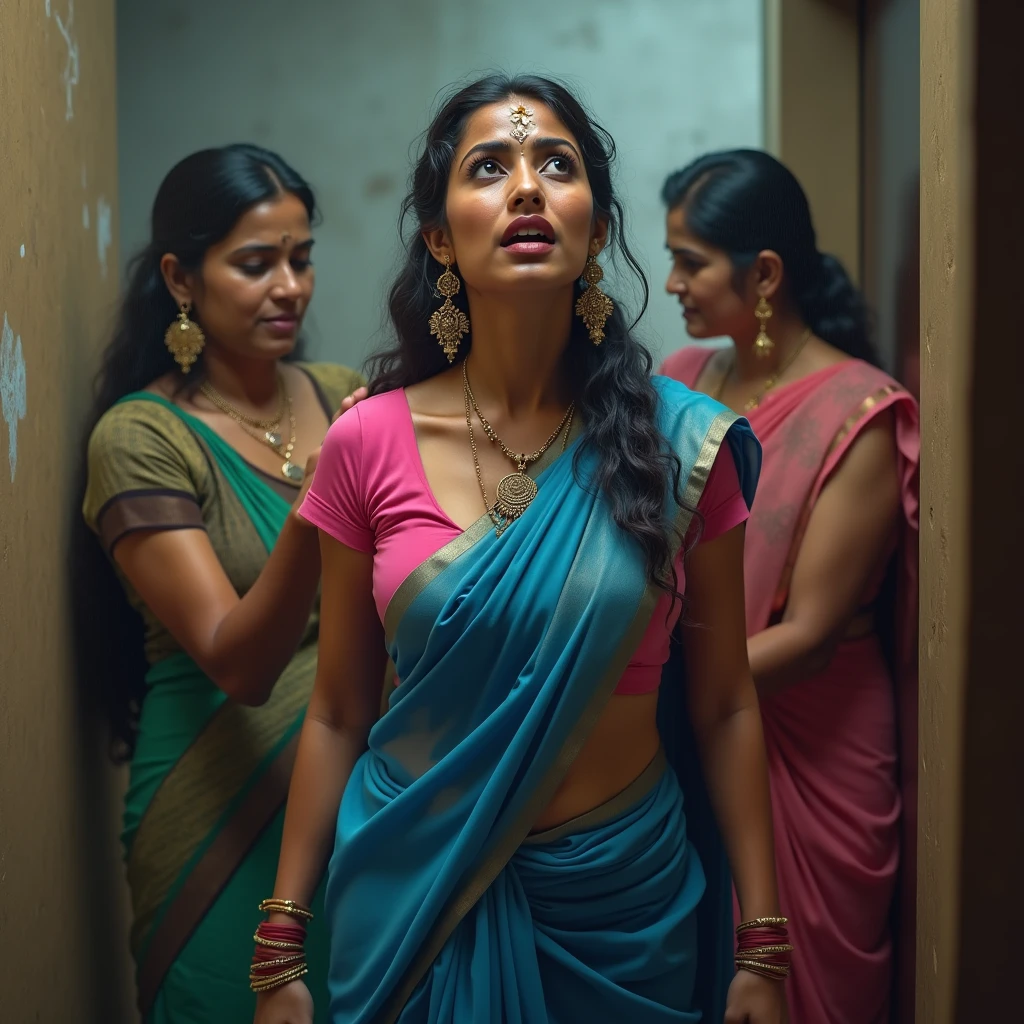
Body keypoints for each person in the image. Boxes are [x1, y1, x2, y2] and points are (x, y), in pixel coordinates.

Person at [252, 75, 789, 1024]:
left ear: (595, 220)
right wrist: (282, 946)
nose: (528, 188)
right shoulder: (366, 441)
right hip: (411, 897)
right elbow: (336, 710)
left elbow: (725, 702)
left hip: (621, 909)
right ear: (438, 235)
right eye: (489, 167)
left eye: (557, 164)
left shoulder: (681, 446)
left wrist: (765, 943)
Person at [77, 143, 364, 1024]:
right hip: (214, 808)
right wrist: (328, 497)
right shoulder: (142, 438)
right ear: (181, 276)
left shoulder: (341, 393)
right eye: (255, 264)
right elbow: (238, 665)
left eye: (302, 258)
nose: (290, 287)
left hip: (359, 800)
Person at [659, 149, 920, 1024]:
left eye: (690, 261)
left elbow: (809, 637)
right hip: (696, 729)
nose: (671, 285)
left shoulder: (861, 414)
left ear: (762, 273)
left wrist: (651, 683)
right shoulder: (682, 380)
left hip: (813, 739)